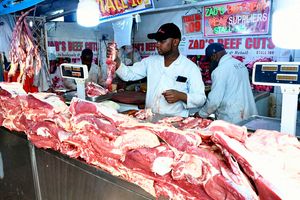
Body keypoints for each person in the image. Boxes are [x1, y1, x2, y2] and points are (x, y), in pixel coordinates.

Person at [108, 23, 206, 117]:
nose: (157, 45)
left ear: (175, 42)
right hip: (151, 118)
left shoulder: (190, 68)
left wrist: (181, 96)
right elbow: (128, 74)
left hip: (175, 121)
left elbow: (201, 99)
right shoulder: (150, 62)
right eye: (157, 41)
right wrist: (116, 59)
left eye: (162, 41)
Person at [196, 43, 257, 124]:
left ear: (214, 56)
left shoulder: (219, 71)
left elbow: (214, 101)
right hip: (248, 113)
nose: (211, 63)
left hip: (233, 118)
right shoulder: (240, 64)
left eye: (210, 60)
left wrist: (201, 114)